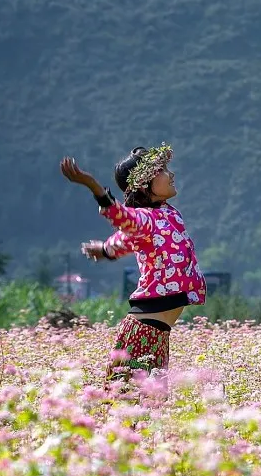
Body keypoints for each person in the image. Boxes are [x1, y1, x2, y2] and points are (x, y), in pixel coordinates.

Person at [60, 143, 206, 379]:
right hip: (143, 332)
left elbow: (130, 238)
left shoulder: (168, 215)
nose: (171, 174)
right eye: (162, 171)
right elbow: (125, 219)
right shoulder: (145, 219)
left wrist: (106, 250)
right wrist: (94, 186)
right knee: (130, 404)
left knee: (148, 406)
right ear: (144, 185)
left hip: (158, 334)